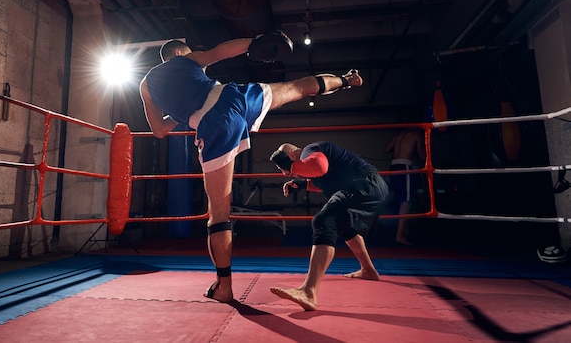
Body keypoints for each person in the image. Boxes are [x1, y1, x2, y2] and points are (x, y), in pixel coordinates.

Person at [139, 36, 363, 304]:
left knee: (219, 212)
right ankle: (348, 79)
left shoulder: (146, 86)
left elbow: (159, 131)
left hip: (212, 124)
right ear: (177, 52)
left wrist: (182, 110)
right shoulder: (185, 59)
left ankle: (224, 286)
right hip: (235, 97)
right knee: (298, 87)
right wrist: (256, 42)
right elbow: (219, 50)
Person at [268, 141, 388, 311]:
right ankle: (368, 270)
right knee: (344, 225)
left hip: (362, 185)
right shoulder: (316, 158)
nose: (285, 173)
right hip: (373, 187)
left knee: (323, 220)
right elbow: (325, 179)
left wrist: (291, 166)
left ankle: (308, 292)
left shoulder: (309, 150)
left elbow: (319, 166)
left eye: (284, 167)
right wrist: (303, 184)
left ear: (292, 156)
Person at [383, 128, 426, 245]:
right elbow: (422, 156)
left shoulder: (398, 135)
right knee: (406, 200)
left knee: (400, 200)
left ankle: (404, 232)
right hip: (404, 167)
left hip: (393, 167)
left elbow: (386, 149)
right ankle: (399, 235)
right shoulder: (416, 134)